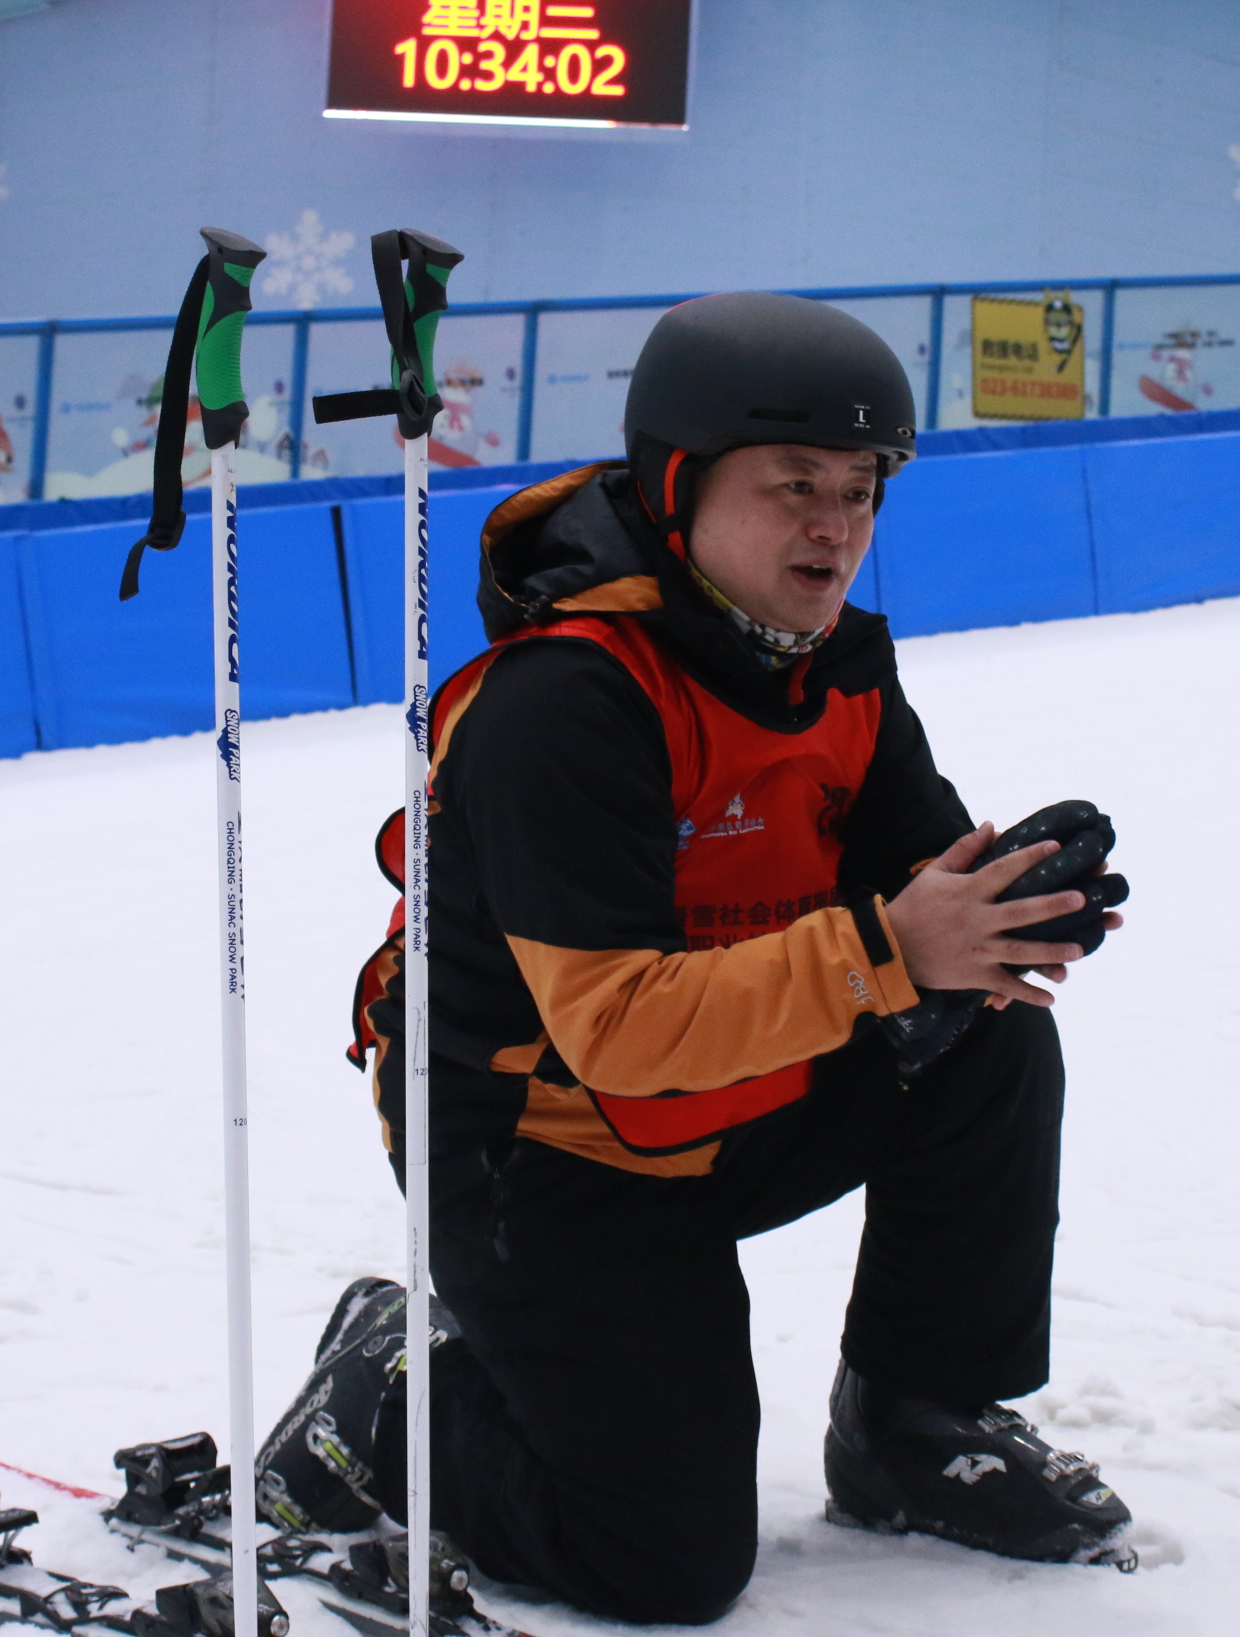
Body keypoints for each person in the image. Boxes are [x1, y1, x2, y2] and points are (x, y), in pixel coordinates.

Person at [258, 293, 1132, 1624]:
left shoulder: (833, 667)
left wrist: (1002, 910)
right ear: (677, 488)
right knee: (659, 1564)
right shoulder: (567, 702)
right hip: (543, 1154)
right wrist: (896, 949)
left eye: (858, 489)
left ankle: (913, 1423)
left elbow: (909, 890)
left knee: (990, 1031)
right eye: (792, 488)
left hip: (729, 1099)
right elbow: (614, 1030)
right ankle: (390, 1391)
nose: (834, 527)